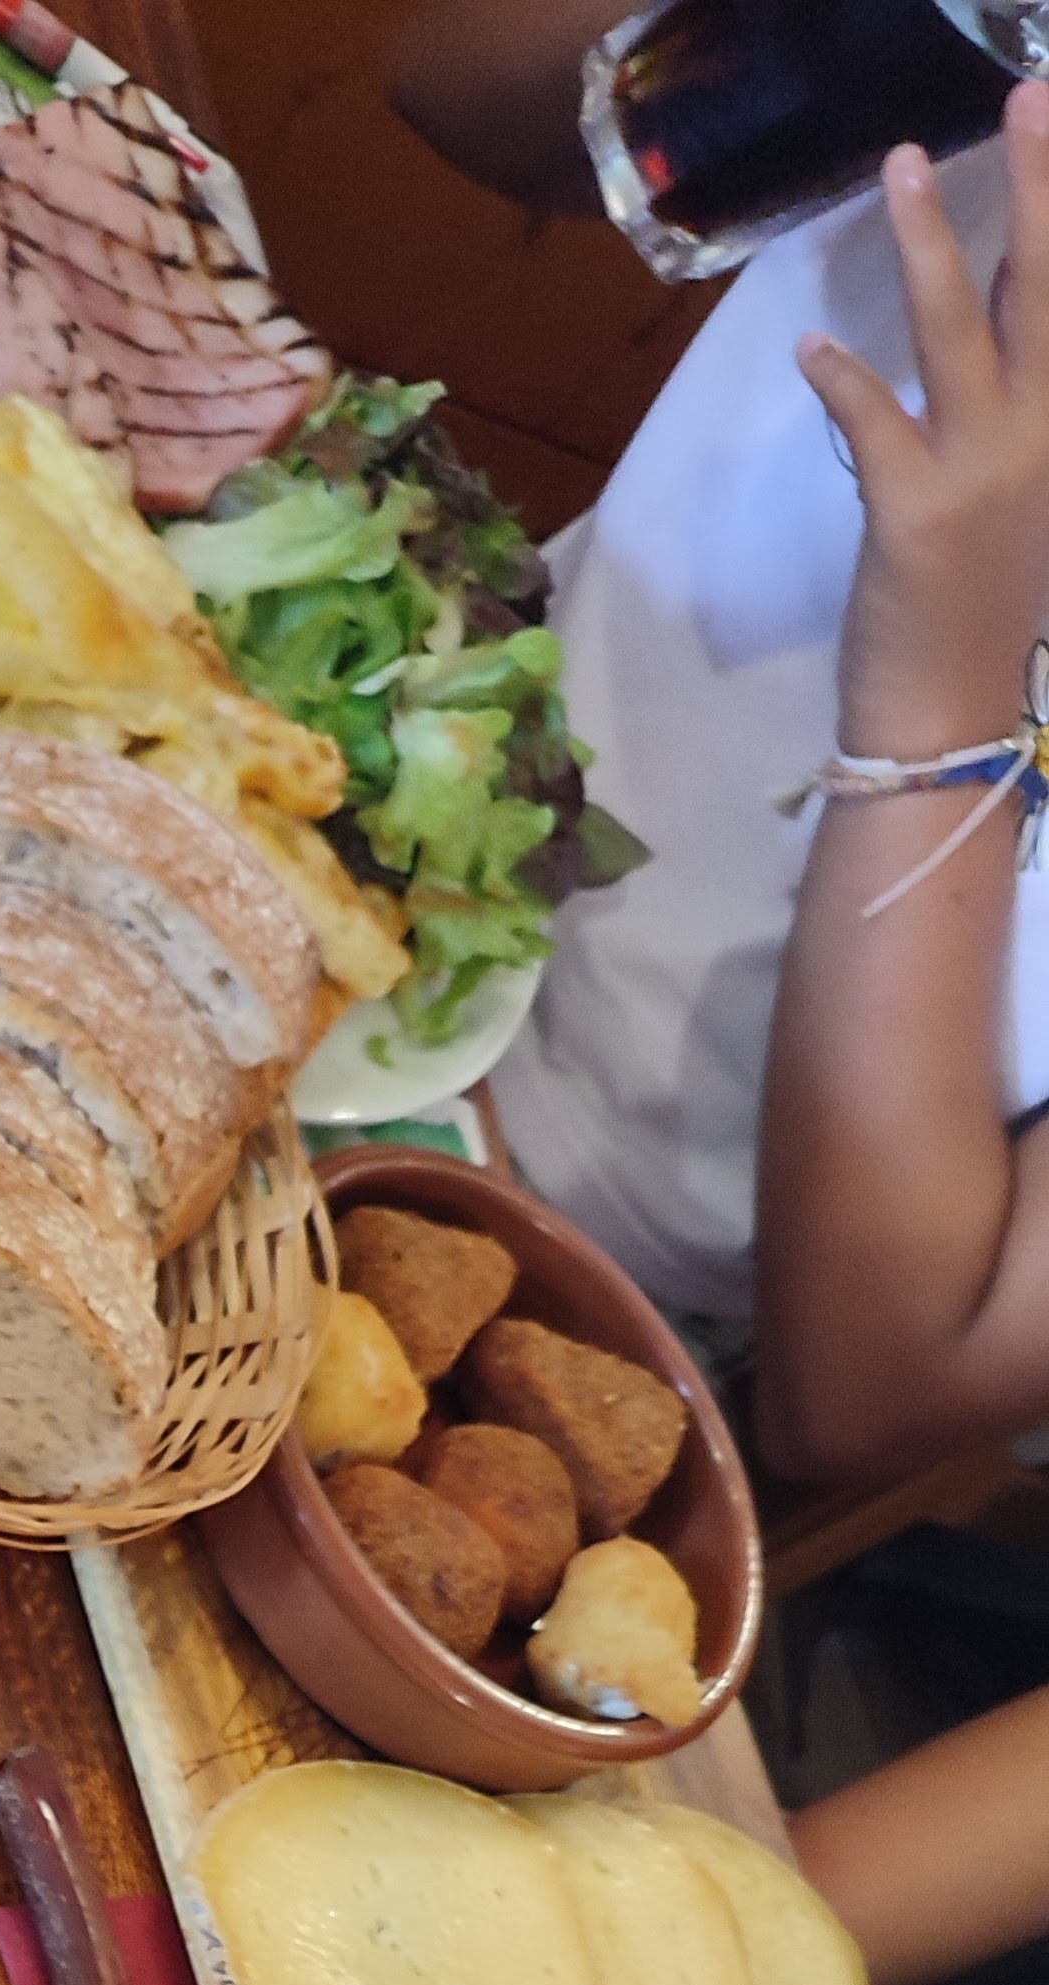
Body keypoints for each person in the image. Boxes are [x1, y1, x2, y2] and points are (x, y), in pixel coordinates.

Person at [392, 3, 1049, 1459]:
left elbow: (871, 1391)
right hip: (333, 800)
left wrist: (949, 690)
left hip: (540, 1286)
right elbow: (454, 93)